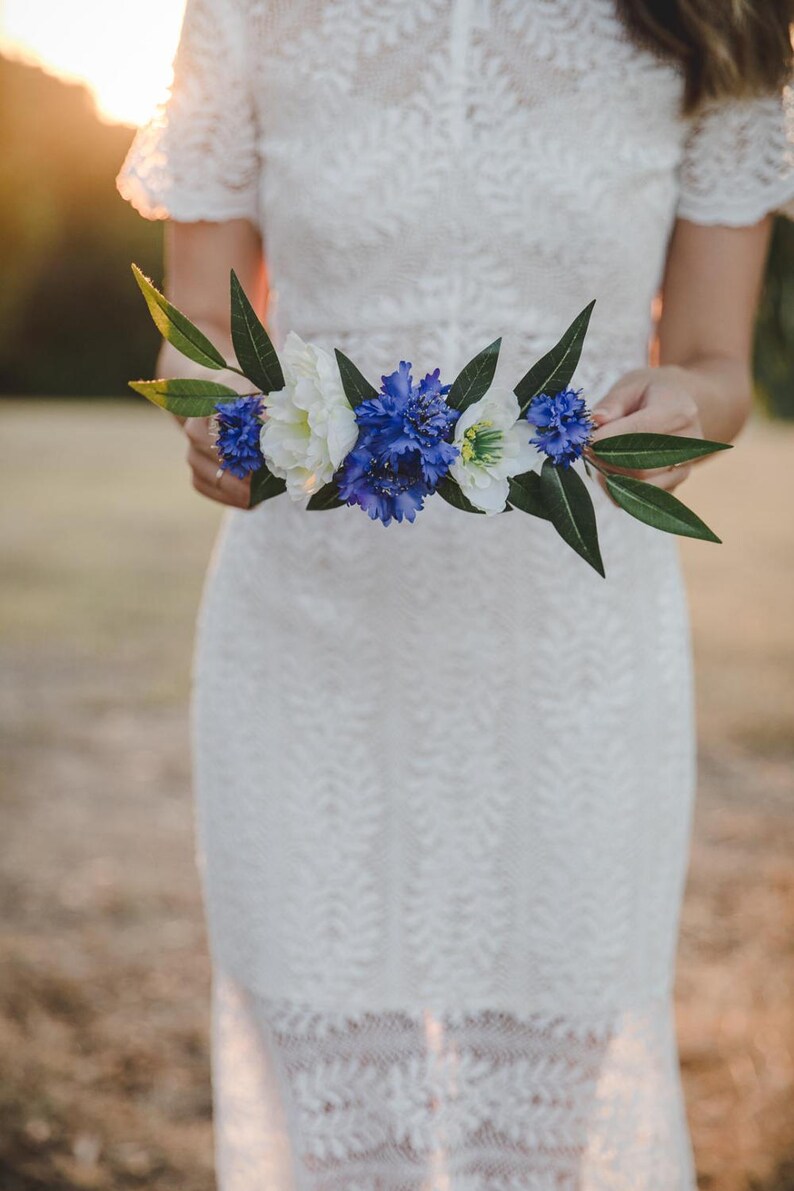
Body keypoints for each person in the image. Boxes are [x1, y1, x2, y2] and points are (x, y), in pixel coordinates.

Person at [117, 1, 794, 1186]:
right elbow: (205, 324)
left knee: (534, 1139)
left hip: (573, 642)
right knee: (340, 1129)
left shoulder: (714, 17)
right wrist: (218, 404)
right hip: (309, 629)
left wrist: (685, 405)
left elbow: (715, 360)